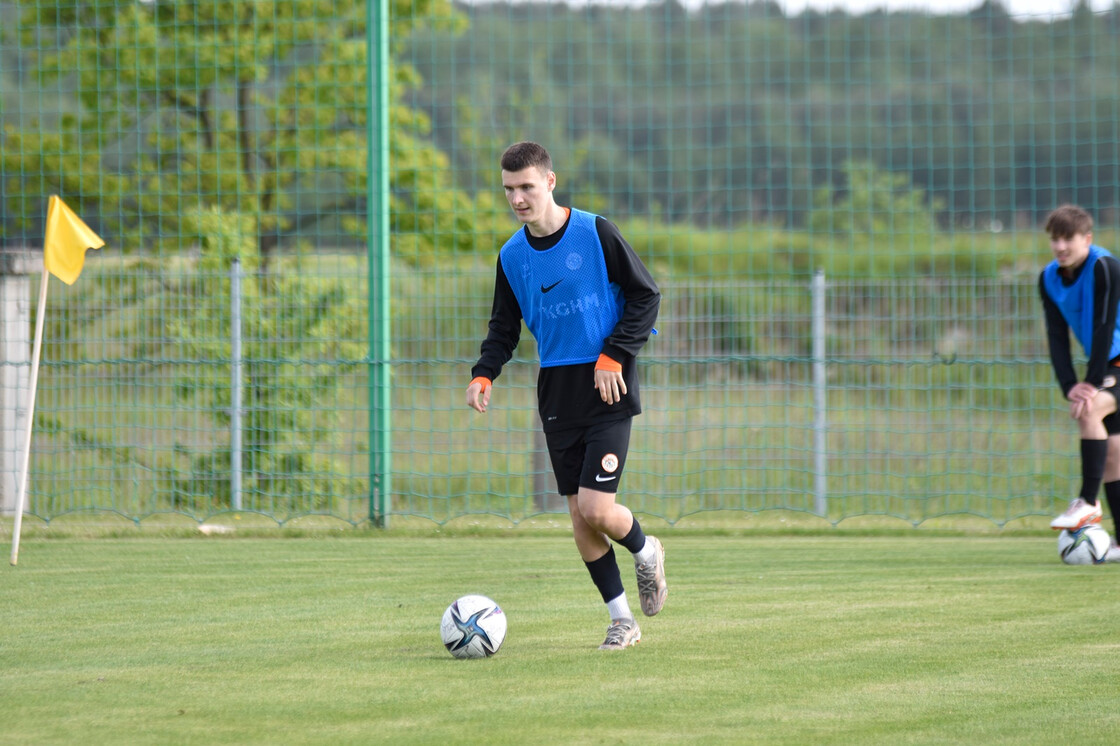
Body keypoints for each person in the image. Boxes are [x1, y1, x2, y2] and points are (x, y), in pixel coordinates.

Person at [466, 141, 666, 650]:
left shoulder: (595, 232)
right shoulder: (512, 256)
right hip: (556, 389)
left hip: (607, 381)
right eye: (509, 189)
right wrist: (485, 373)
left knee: (599, 510)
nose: (517, 199)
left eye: (527, 187)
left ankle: (645, 551)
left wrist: (614, 354)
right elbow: (503, 326)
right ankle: (622, 620)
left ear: (550, 182)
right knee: (579, 517)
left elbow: (645, 295)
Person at [1039, 204, 1120, 556]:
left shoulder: (1104, 266)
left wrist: (1091, 382)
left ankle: (1087, 501)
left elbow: (1103, 325)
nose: (1060, 247)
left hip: (1113, 360)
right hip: (1107, 363)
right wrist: (1069, 384)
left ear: (1086, 239)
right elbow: (1056, 336)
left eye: (1068, 239)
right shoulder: (1048, 278)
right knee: (1114, 453)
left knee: (1089, 411)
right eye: (1055, 240)